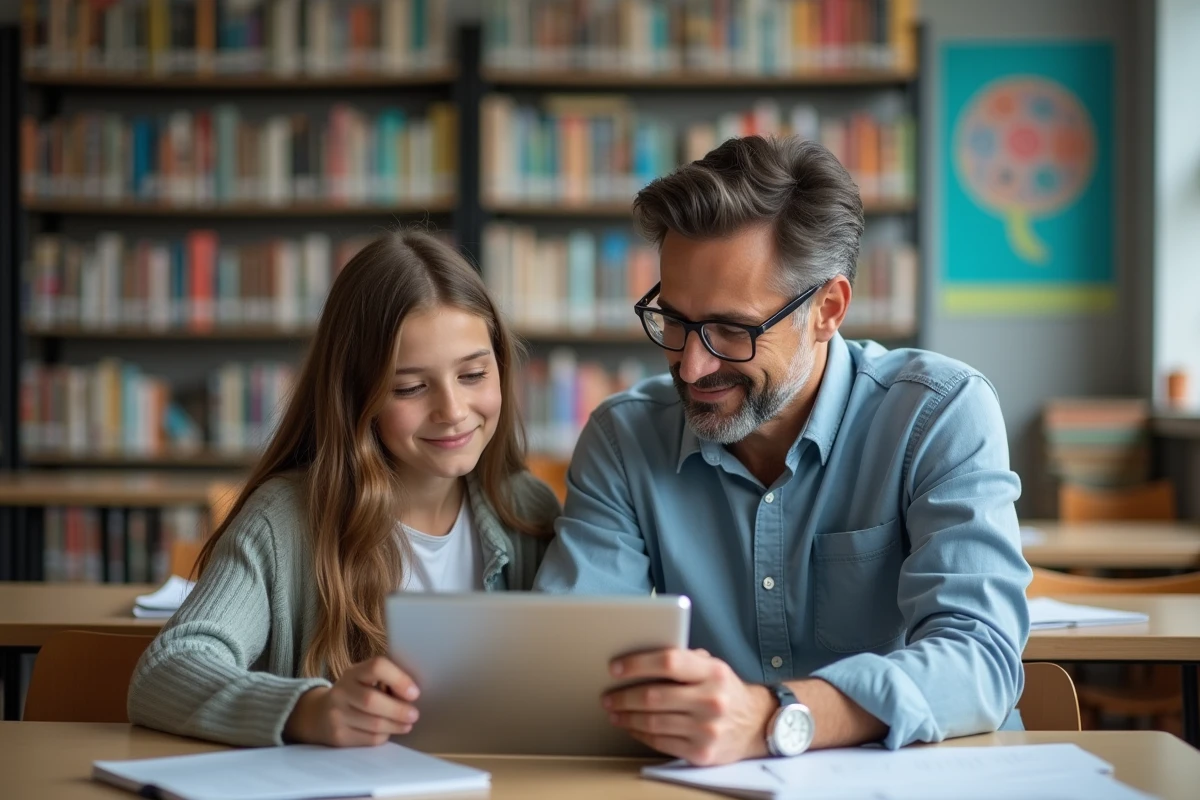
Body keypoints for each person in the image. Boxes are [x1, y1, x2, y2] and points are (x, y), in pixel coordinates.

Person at [533, 136, 1032, 766]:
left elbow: (980, 660)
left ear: (827, 309)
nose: (691, 365)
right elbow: (571, 665)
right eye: (676, 321)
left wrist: (774, 717)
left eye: (731, 331)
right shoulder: (624, 439)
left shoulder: (939, 413)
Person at [129, 230, 560, 747]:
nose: (452, 410)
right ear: (357, 395)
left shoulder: (526, 509)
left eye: (472, 374)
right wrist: (308, 711)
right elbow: (166, 671)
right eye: (409, 387)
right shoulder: (284, 521)